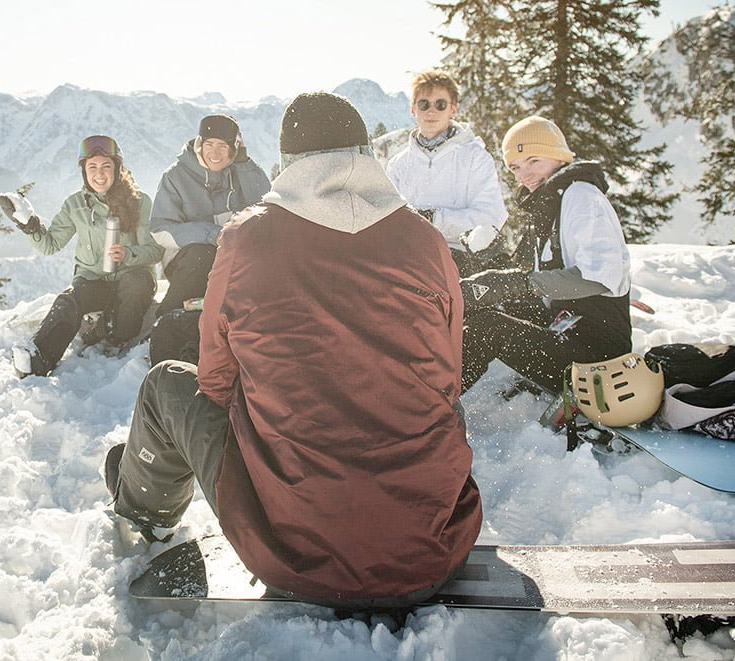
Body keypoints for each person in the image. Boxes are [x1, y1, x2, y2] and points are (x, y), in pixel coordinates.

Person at [107, 92, 482, 609]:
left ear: (288, 163)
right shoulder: (424, 240)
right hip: (430, 551)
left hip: (293, 553)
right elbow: (447, 378)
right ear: (365, 156)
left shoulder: (247, 238)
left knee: (166, 383)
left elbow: (214, 382)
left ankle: (145, 516)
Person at [459, 115, 632, 394]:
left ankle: (425, 406)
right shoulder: (551, 204)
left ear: (558, 156)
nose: (524, 175)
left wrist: (518, 284)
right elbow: (540, 283)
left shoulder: (582, 196)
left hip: (597, 360)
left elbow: (599, 278)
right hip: (564, 327)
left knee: (486, 328)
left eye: (534, 161)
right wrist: (494, 272)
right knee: (481, 305)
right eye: (515, 167)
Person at [5, 135, 163, 377]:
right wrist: (30, 225)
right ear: (84, 171)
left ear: (117, 169)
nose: (99, 174)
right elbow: (50, 245)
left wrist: (128, 253)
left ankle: (116, 338)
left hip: (133, 279)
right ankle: (38, 358)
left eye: (106, 166)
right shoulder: (75, 204)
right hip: (94, 280)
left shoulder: (139, 202)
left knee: (135, 284)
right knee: (70, 299)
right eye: (92, 167)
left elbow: (155, 250)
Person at [147, 115, 270, 363]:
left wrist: (244, 163)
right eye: (209, 144)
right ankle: (163, 325)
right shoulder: (176, 176)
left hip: (232, 258)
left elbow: (265, 204)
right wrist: (211, 234)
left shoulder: (240, 172)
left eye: (223, 146)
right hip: (187, 261)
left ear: (234, 149)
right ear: (199, 144)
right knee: (202, 255)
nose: (215, 153)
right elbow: (160, 229)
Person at [386, 70, 507, 270]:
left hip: (461, 260)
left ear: (453, 109)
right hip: (408, 261)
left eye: (440, 104)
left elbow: (491, 216)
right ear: (413, 109)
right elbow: (387, 218)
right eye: (424, 104)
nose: (431, 111)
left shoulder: (474, 156)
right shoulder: (398, 164)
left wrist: (436, 220)